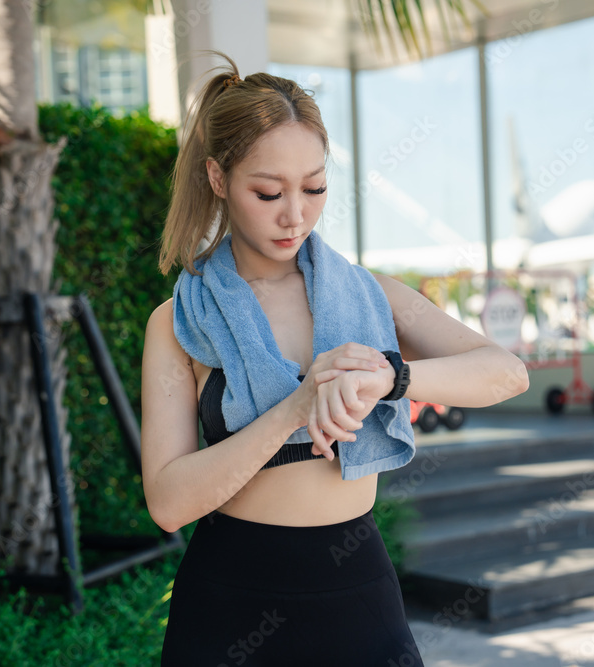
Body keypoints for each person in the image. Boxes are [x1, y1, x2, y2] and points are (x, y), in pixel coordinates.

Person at [141, 51, 530, 666]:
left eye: (315, 187)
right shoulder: (179, 321)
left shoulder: (371, 297)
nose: (295, 214)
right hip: (228, 598)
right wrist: (291, 410)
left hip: (357, 593)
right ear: (218, 179)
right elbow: (167, 503)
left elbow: (506, 373)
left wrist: (391, 376)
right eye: (268, 192)